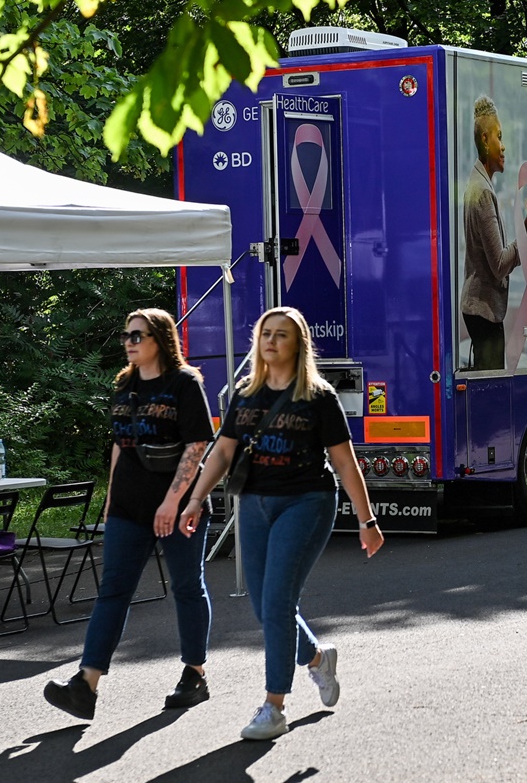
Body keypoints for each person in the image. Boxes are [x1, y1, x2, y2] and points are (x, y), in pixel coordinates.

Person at [180, 306, 384, 740]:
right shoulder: (245, 394)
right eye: (265, 333)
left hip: (307, 502)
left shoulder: (319, 397)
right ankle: (317, 658)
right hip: (254, 503)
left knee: (276, 602)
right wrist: (195, 498)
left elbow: (344, 462)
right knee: (265, 607)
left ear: (298, 345)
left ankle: (274, 706)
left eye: (281, 335)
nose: (271, 341)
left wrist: (367, 519)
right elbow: (222, 451)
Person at [44, 309, 215, 720]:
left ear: (160, 339)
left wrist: (172, 502)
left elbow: (196, 446)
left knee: (187, 587)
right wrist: (110, 499)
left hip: (178, 505)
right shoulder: (125, 385)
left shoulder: (184, 383)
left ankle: (194, 674)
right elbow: (120, 444)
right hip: (128, 506)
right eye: (126, 336)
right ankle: (85, 684)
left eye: (137, 335)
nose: (129, 342)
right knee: (113, 591)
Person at [461, 94, 527, 370]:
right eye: (498, 137)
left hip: (481, 310)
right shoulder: (483, 193)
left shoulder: (477, 184)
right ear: (484, 140)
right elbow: (500, 265)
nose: (503, 146)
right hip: (485, 311)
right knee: (492, 389)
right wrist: (525, 235)